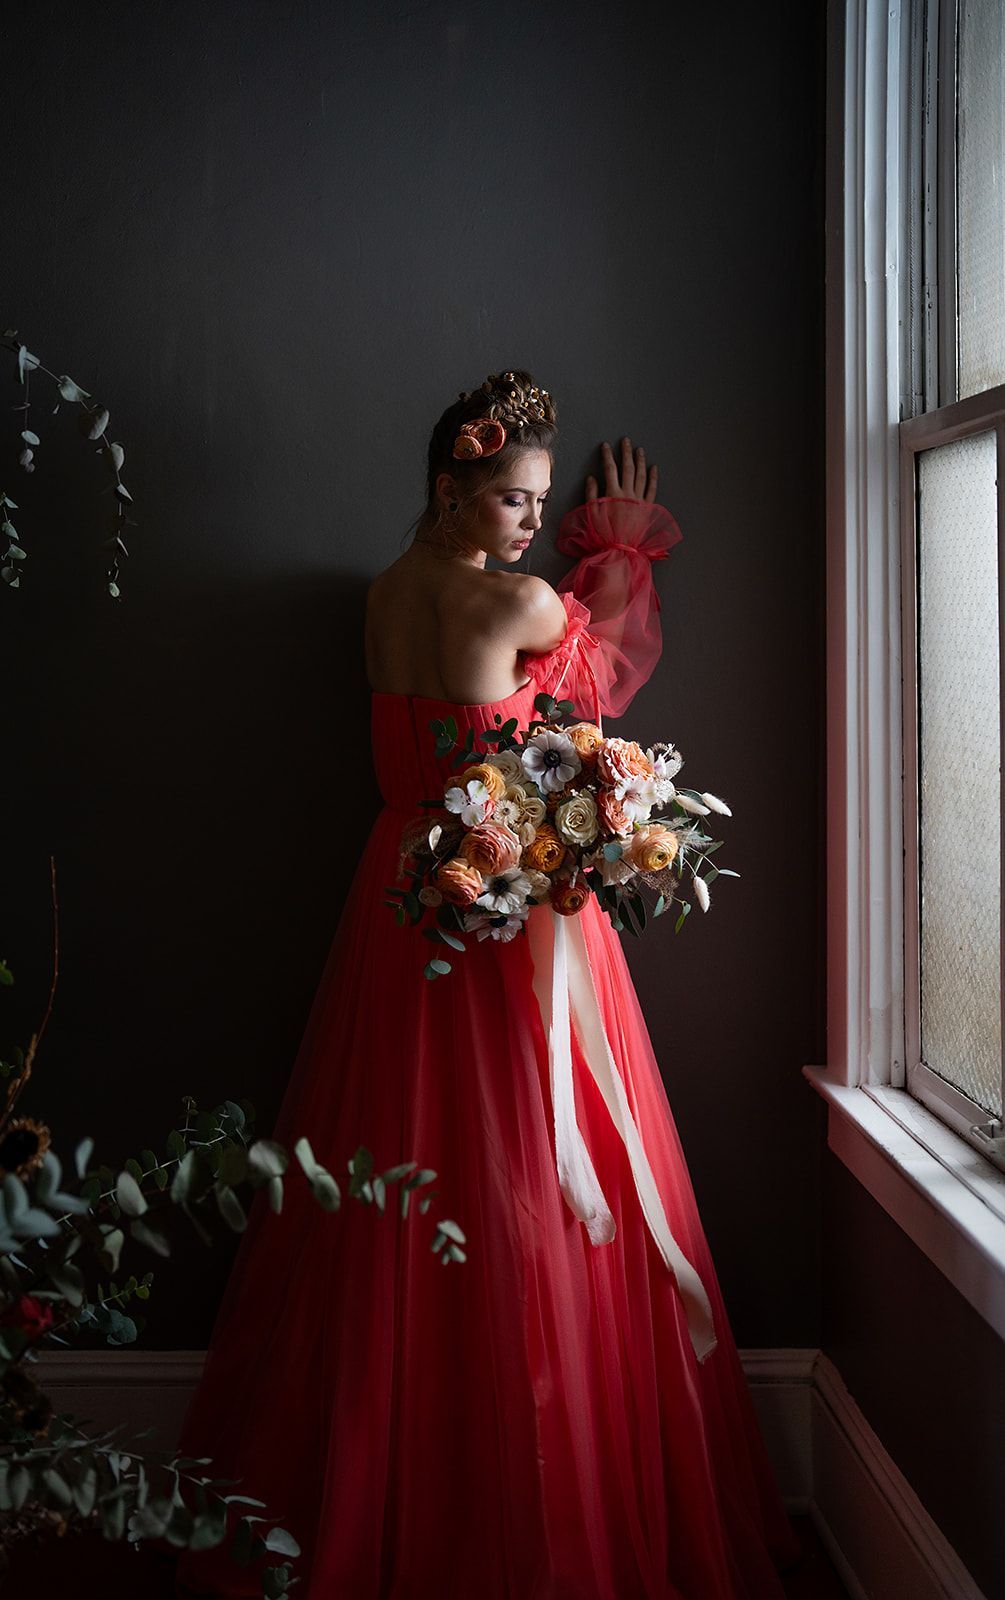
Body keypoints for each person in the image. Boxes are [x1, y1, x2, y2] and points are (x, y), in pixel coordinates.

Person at [174, 370, 803, 1599]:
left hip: (397, 883)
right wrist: (613, 545)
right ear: (453, 484)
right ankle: (514, 1479)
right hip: (503, 903)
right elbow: (601, 672)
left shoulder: (384, 596)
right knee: (524, 1164)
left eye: (543, 500)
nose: (531, 518)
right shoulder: (516, 603)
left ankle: (382, 1474)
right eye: (512, 497)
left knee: (396, 1157)